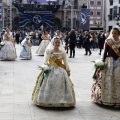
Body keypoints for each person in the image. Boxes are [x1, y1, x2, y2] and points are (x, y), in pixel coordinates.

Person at [32, 37, 76, 107]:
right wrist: (45, 69)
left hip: (61, 71)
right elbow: (45, 62)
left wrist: (68, 70)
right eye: (56, 42)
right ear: (53, 43)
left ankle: (62, 101)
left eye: (59, 42)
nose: (57, 44)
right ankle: (47, 100)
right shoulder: (49, 51)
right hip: (51, 70)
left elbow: (65, 62)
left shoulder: (63, 52)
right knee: (49, 85)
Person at [91, 27, 120, 107]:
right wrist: (102, 63)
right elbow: (104, 53)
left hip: (119, 62)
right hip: (110, 62)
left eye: (115, 33)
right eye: (112, 33)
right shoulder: (108, 41)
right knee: (109, 79)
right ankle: (107, 99)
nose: (113, 34)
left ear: (118, 34)